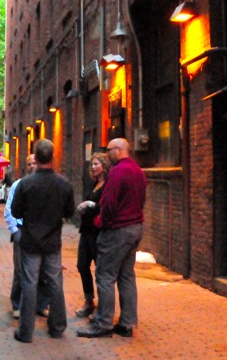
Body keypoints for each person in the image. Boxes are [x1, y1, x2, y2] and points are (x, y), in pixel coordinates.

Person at [77, 138, 147, 339]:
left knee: (105, 276)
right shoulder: (138, 171)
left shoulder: (117, 172)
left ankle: (103, 323)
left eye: (109, 151)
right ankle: (126, 323)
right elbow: (141, 200)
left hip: (118, 230)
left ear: (119, 150)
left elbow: (108, 204)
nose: (107, 154)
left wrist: (101, 222)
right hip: (135, 227)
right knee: (126, 276)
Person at [11, 139, 75, 343]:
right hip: (52, 242)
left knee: (29, 284)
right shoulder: (63, 184)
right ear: (52, 157)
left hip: (30, 241)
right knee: (55, 283)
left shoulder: (26, 184)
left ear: (36, 158)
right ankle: (57, 327)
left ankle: (26, 331)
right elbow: (70, 212)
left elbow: (15, 211)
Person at [4, 154, 50, 319]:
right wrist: (15, 231)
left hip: (42, 234)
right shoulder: (18, 185)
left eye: (34, 163)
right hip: (23, 231)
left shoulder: (47, 185)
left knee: (44, 270)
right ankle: (17, 304)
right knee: (20, 270)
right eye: (29, 163)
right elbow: (9, 210)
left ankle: (42, 304)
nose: (32, 166)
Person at [74, 152, 110, 317]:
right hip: (86, 231)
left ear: (104, 165)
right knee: (82, 265)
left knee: (100, 269)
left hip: (98, 232)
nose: (94, 167)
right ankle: (89, 301)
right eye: (92, 165)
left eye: (96, 164)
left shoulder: (107, 185)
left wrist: (91, 205)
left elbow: (105, 207)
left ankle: (103, 306)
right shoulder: (93, 184)